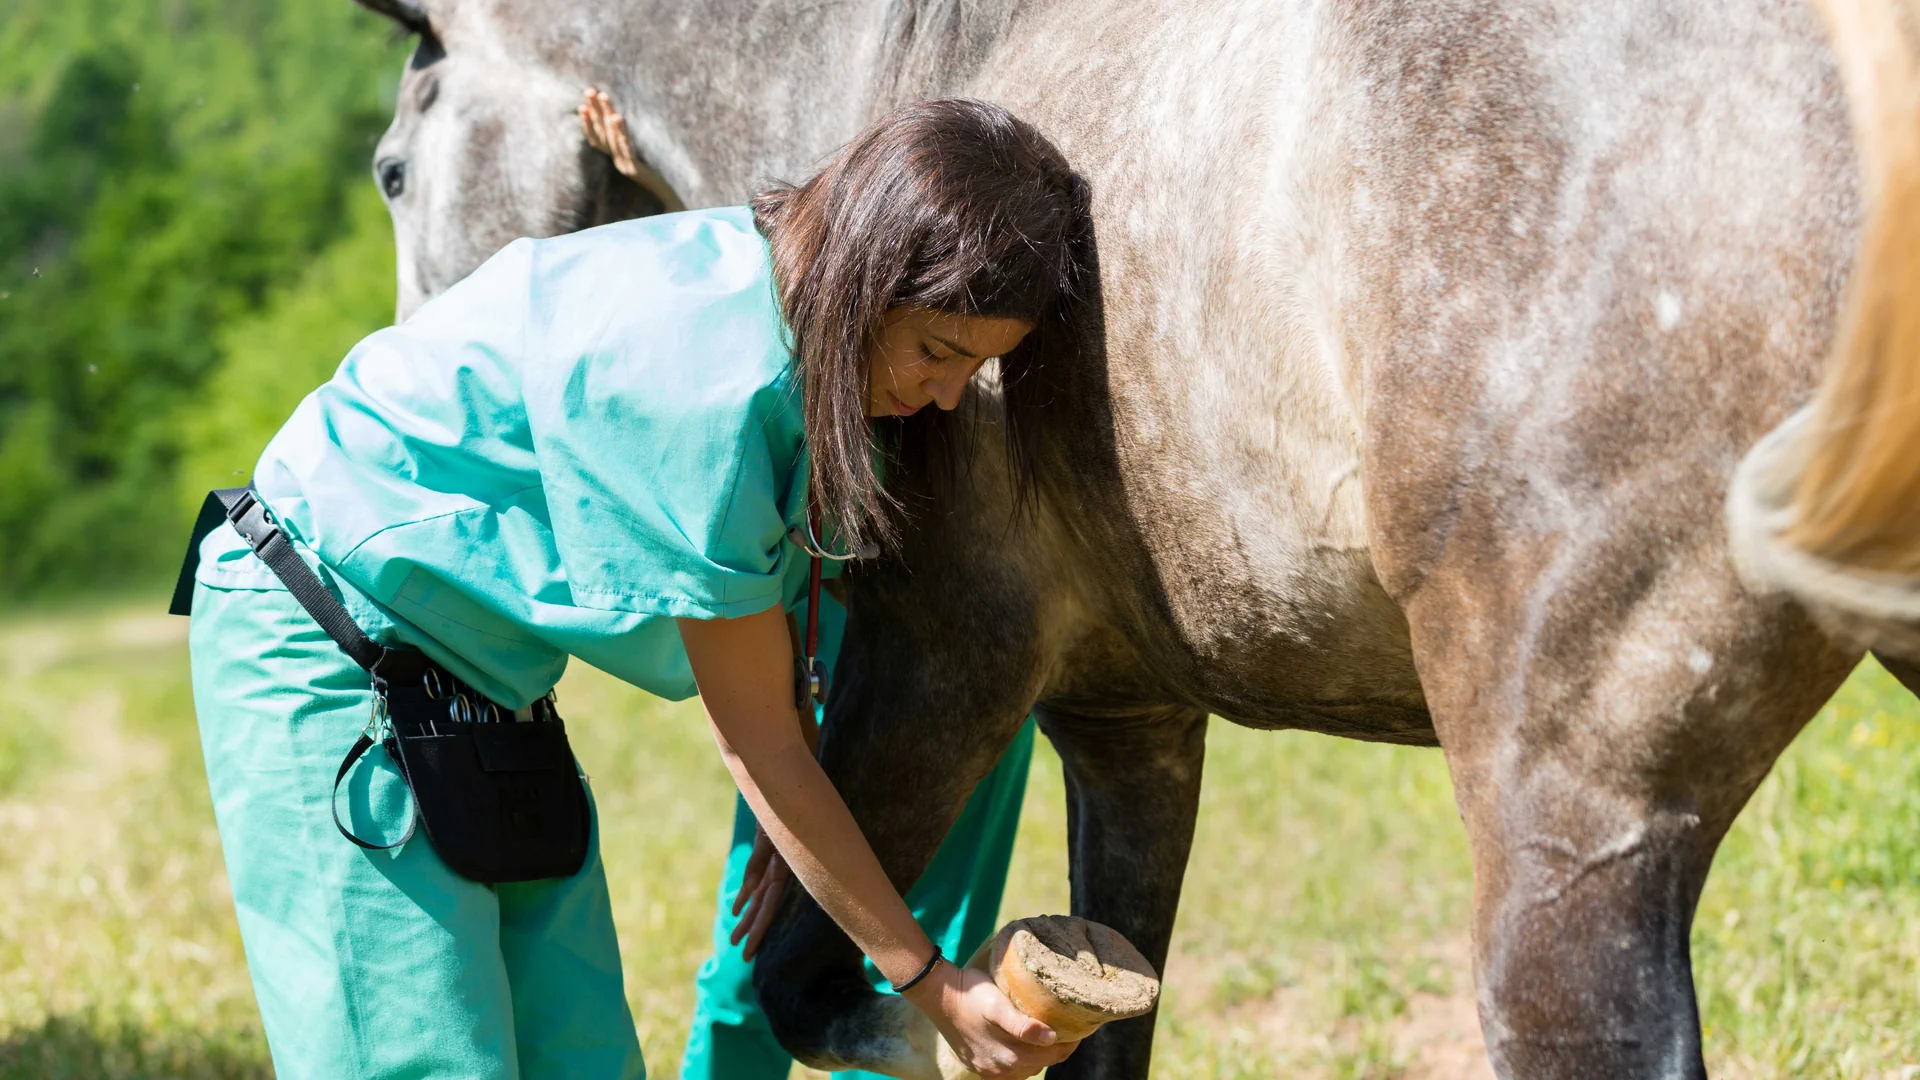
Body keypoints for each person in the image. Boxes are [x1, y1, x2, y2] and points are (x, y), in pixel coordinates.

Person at [182, 98, 1089, 1080]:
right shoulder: (710, 379)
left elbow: (783, 667)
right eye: (941, 353)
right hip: (323, 629)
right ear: (869, 274)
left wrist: (821, 847)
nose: (950, 396)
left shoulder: (789, 302)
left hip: (485, 680)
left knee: (584, 1063)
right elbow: (759, 739)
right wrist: (929, 982)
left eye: (978, 366)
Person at [578, 88, 1041, 1080]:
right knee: (767, 926)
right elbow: (757, 285)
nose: (949, 388)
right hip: (816, 637)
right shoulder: (801, 328)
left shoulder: (960, 306)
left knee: (940, 926)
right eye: (941, 357)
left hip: (967, 638)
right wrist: (657, 185)